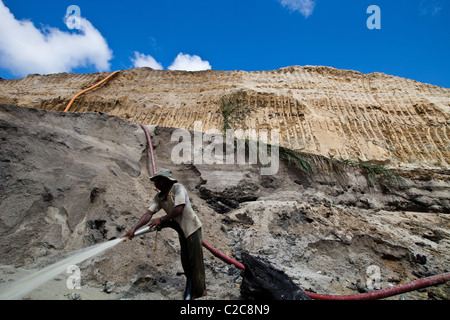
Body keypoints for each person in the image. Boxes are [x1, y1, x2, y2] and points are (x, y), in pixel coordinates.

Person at [123, 169, 207, 300]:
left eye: (158, 180)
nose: (155, 183)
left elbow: (179, 209)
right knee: (186, 262)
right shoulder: (159, 197)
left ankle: (201, 291)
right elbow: (148, 214)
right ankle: (191, 288)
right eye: (155, 180)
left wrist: (161, 220)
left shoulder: (177, 188)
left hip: (192, 228)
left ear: (166, 180)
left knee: (195, 262)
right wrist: (134, 228)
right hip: (181, 231)